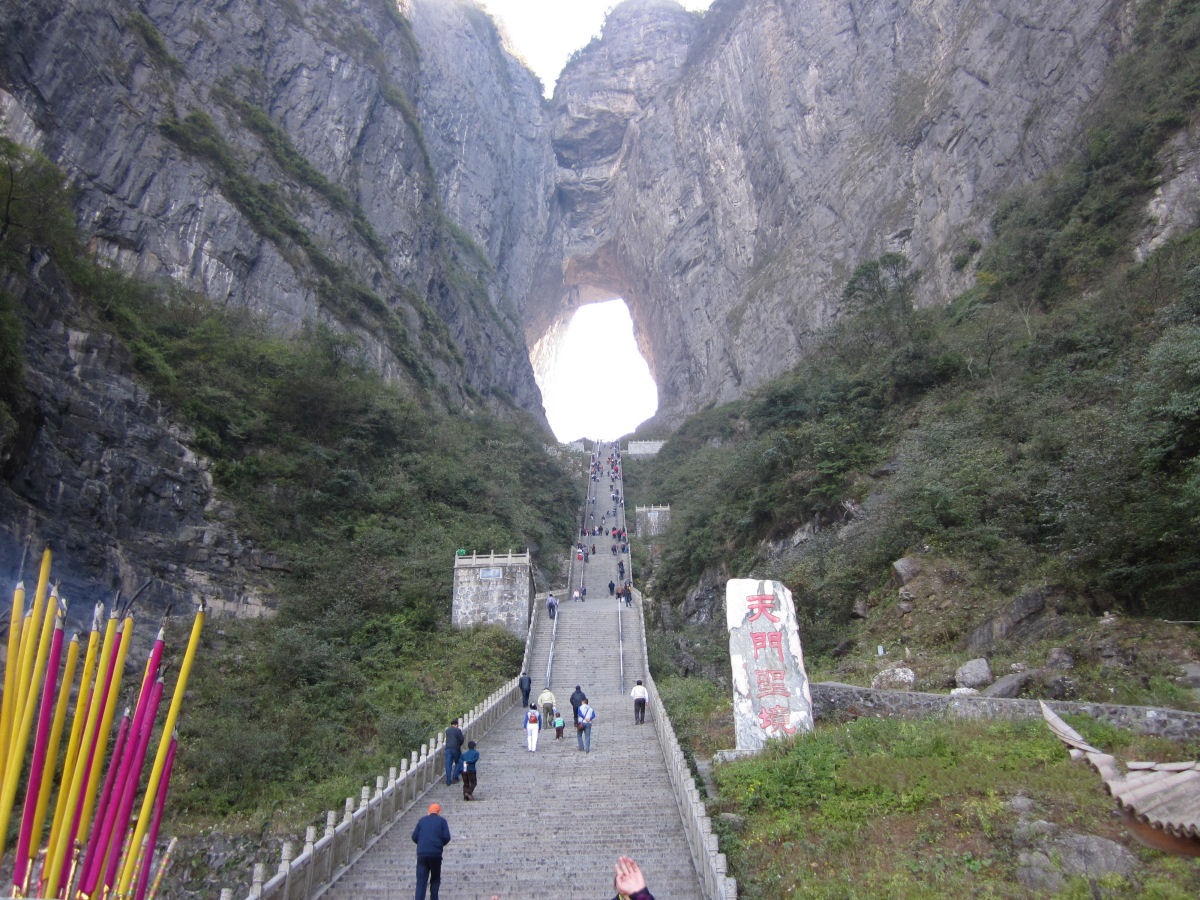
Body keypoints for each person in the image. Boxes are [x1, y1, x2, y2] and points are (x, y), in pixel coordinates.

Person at [412, 803, 451, 900]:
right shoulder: (442, 821)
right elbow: (447, 837)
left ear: (428, 812)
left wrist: (422, 844)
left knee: (421, 882)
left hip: (422, 854)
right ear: (439, 812)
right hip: (436, 854)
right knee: (435, 879)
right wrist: (439, 844)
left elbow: (414, 837)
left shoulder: (422, 821)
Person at [443, 719, 464, 786]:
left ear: (451, 724)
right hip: (455, 749)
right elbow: (461, 739)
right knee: (459, 761)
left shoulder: (447, 730)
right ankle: (455, 776)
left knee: (448, 764)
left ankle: (448, 781)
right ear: (456, 724)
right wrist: (459, 745)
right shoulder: (458, 730)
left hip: (448, 749)